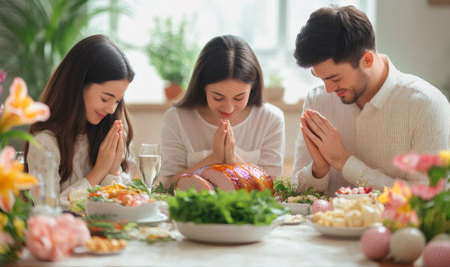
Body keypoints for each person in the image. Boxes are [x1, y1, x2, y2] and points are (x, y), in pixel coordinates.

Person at [291, 5, 450, 195]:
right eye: (321, 78)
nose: (328, 89)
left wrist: (345, 162)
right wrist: (318, 170)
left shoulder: (426, 105)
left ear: (367, 60)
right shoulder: (317, 100)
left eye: (335, 79)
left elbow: (427, 199)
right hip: (320, 225)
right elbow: (296, 196)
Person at [25, 34, 136, 208]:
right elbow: (49, 211)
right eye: (105, 98)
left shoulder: (109, 133)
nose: (111, 110)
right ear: (78, 85)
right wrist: (99, 170)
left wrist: (113, 170)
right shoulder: (45, 142)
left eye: (117, 101)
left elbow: (123, 208)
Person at [160, 35, 285, 186]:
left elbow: (272, 187)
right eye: (218, 98)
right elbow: (167, 184)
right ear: (202, 86)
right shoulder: (177, 118)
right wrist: (214, 158)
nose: (228, 108)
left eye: (239, 98)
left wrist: (233, 159)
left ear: (252, 87)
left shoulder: (270, 119)